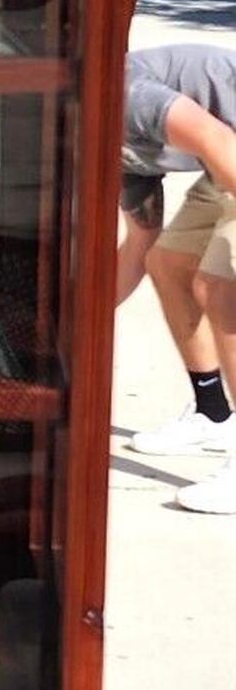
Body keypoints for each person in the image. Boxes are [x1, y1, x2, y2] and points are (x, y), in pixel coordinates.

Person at [118, 43, 236, 512]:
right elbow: (137, 245)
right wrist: (71, 323)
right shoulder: (107, 152)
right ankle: (212, 412)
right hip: (224, 154)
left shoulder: (125, 96)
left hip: (226, 148)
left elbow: (213, 138)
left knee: (221, 287)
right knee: (169, 263)